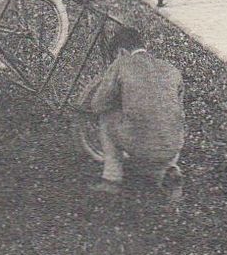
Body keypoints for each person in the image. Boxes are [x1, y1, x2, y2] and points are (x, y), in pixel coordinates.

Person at [76, 26, 185, 199]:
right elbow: (176, 107)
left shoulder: (122, 63)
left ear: (121, 51)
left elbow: (98, 104)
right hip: (174, 146)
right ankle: (170, 169)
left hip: (140, 145)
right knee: (165, 116)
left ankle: (111, 179)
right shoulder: (171, 69)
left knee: (107, 118)